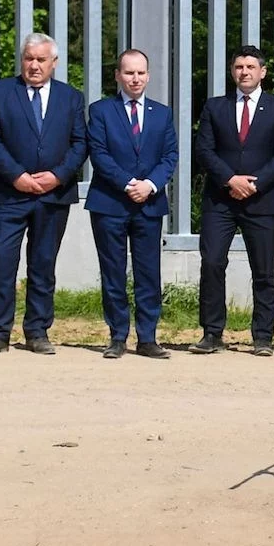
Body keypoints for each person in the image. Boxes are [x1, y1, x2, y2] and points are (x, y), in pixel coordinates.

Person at [0, 32, 87, 355]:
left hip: (53, 196)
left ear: (54, 63)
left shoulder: (71, 98)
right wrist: (17, 176)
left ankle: (37, 331)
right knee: (1, 262)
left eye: (41, 60)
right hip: (7, 195)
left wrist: (57, 176)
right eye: (28, 59)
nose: (34, 66)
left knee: (43, 264)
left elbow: (80, 143)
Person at [194, 44, 274, 355]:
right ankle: (212, 333)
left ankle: (263, 336)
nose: (245, 72)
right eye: (239, 67)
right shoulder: (215, 107)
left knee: (264, 270)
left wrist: (255, 183)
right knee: (212, 263)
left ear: (262, 72)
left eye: (251, 67)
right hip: (220, 200)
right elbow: (204, 150)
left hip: (261, 199)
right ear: (232, 71)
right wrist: (230, 180)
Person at [85, 49, 177, 359]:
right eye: (128, 73)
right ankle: (117, 336)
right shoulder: (100, 111)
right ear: (117, 76)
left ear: (148, 76)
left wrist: (149, 185)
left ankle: (148, 337)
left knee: (148, 272)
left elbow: (170, 157)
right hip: (110, 202)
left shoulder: (162, 113)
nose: (135, 78)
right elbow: (99, 154)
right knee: (113, 271)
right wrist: (127, 184)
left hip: (149, 205)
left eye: (140, 73)